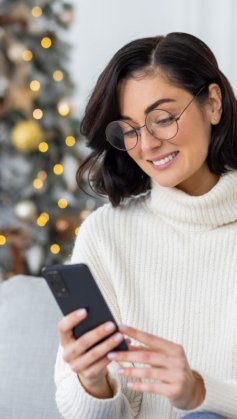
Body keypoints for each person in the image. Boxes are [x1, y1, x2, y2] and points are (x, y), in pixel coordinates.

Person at [54, 32, 237, 419]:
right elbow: (78, 411)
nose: (148, 144)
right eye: (130, 130)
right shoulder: (105, 235)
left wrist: (200, 392)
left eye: (163, 119)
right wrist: (92, 381)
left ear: (214, 104)